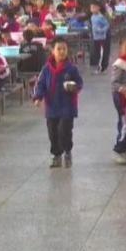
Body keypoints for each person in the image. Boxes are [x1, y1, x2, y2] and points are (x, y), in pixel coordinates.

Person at [32, 39, 85, 169]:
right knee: (53, 132)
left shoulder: (71, 69)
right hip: (51, 106)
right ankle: (56, 155)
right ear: (53, 51)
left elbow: (79, 83)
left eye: (64, 49)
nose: (62, 51)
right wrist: (38, 97)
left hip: (67, 106)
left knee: (64, 130)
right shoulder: (46, 69)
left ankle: (67, 151)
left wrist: (74, 87)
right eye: (59, 49)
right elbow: (41, 84)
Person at [88, 2, 112, 74]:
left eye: (93, 7)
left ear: (98, 8)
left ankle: (101, 68)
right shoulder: (92, 17)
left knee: (102, 53)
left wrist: (102, 30)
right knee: (97, 53)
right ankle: (99, 67)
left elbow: (107, 25)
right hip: (95, 38)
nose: (92, 9)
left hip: (101, 38)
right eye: (91, 8)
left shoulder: (101, 17)